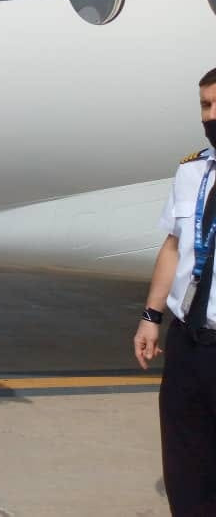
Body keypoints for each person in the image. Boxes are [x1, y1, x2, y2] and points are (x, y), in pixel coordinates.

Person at [135, 66, 216, 515]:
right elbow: (173, 246)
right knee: (186, 467)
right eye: (205, 105)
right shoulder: (192, 172)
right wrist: (151, 317)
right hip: (189, 342)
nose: (211, 115)